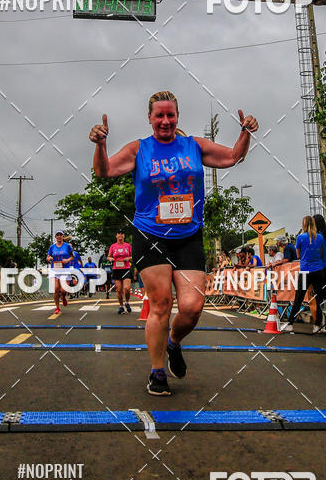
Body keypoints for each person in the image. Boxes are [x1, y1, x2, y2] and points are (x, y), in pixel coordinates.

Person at [89, 90, 258, 395]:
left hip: (188, 235)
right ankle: (156, 372)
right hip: (150, 235)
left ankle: (174, 342)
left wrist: (245, 133)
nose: (165, 121)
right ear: (150, 118)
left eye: (170, 115)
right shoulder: (139, 149)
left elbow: (233, 156)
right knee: (161, 304)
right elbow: (103, 171)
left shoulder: (194, 146)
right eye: (159, 116)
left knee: (193, 307)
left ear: (177, 116)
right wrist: (101, 145)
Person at [282, 216, 325, 332]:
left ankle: (290, 323)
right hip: (318, 270)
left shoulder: (300, 237)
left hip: (305, 269)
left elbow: (299, 255)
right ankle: (317, 325)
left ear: (303, 224)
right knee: (319, 298)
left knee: (299, 298)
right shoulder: (320, 237)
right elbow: (322, 253)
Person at [46, 230, 73, 315]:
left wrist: (67, 260)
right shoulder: (52, 247)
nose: (59, 236)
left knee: (64, 290)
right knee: (56, 289)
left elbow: (72, 256)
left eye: (60, 235)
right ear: (55, 237)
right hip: (55, 269)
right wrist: (49, 258)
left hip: (65, 269)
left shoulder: (67, 246)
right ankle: (57, 308)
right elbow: (48, 256)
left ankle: (63, 297)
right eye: (57, 235)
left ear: (62, 236)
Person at [108, 230, 133, 314]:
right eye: (119, 234)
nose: (120, 235)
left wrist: (128, 258)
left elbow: (133, 256)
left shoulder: (128, 245)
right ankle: (121, 306)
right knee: (119, 289)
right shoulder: (113, 246)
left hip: (126, 268)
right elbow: (108, 256)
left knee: (127, 288)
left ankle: (127, 302)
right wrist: (110, 259)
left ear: (124, 236)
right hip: (116, 269)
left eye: (122, 234)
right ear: (116, 236)